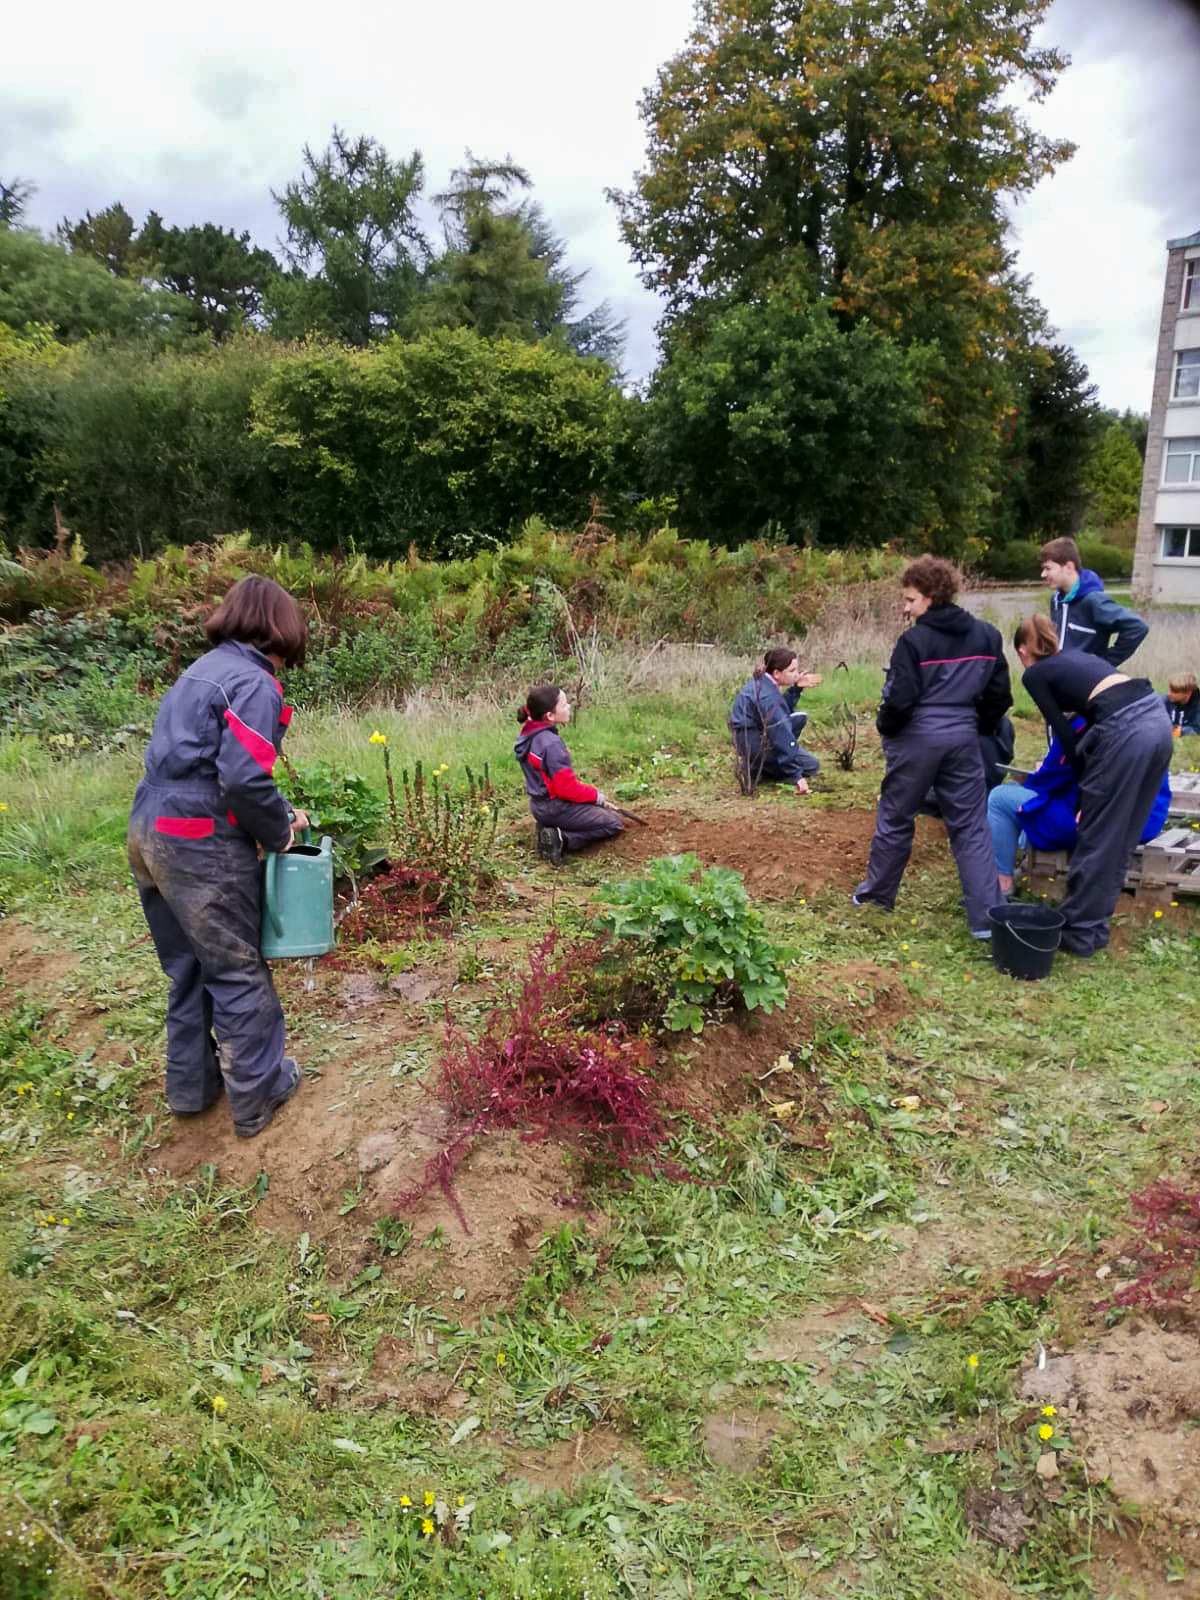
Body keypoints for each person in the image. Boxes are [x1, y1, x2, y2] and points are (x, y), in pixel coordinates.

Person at [127, 576, 310, 1137]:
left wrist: (275, 812)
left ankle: (192, 1088)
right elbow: (244, 780)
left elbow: (204, 768)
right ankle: (257, 1093)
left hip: (147, 827)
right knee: (235, 966)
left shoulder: (198, 672)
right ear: (281, 626)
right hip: (195, 840)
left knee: (187, 968)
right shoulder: (254, 681)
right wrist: (280, 832)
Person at [853, 557, 1011, 937]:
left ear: (931, 596)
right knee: (970, 826)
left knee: (895, 817)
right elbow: (999, 695)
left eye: (910, 599)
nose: (906, 608)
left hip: (916, 738)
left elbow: (901, 698)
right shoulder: (987, 635)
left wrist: (886, 728)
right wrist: (977, 728)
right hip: (963, 737)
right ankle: (987, 919)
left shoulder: (914, 641)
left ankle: (877, 897)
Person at [1015, 613, 1174, 956]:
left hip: (1126, 731)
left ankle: (1080, 935)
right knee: (1121, 836)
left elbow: (1064, 733)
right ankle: (1092, 928)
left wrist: (1083, 792)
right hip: (1156, 721)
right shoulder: (1078, 657)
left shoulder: (1036, 674)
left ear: (1022, 651)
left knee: (1098, 836)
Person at [988, 724, 1171, 895]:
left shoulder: (1081, 725)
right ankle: (1026, 854)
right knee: (1019, 792)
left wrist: (1032, 777)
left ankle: (1002, 882)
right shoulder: (1147, 716)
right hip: (1147, 820)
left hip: (1096, 820)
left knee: (1000, 797)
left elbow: (1046, 781)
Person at [514, 685, 623, 864]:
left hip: (538, 806)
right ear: (549, 715)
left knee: (595, 811)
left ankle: (547, 827)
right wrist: (596, 796)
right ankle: (561, 838)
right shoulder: (552, 744)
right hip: (555, 807)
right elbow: (566, 789)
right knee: (613, 823)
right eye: (564, 705)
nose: (569, 707)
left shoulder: (528, 735)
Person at [1039, 537, 1148, 665]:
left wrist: (1104, 664)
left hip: (1085, 682)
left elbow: (1138, 627)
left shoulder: (1093, 600)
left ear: (1069, 567)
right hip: (1059, 676)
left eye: (1048, 568)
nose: (1043, 574)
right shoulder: (1057, 600)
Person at [728, 647, 822, 794]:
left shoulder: (764, 681)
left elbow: (780, 709)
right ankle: (754, 767)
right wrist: (796, 776)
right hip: (752, 742)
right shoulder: (768, 696)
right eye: (792, 671)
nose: (797, 675)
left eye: (797, 670)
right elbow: (780, 732)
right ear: (777, 673)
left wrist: (796, 689)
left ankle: (757, 765)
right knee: (811, 766)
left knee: (799, 719)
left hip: (749, 737)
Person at [1164, 672, 1200, 736]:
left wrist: (1182, 731)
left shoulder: (1197, 706)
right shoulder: (1163, 701)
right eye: (1169, 689)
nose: (1169, 693)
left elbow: (1197, 729)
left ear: (1188, 694)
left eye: (1174, 692)